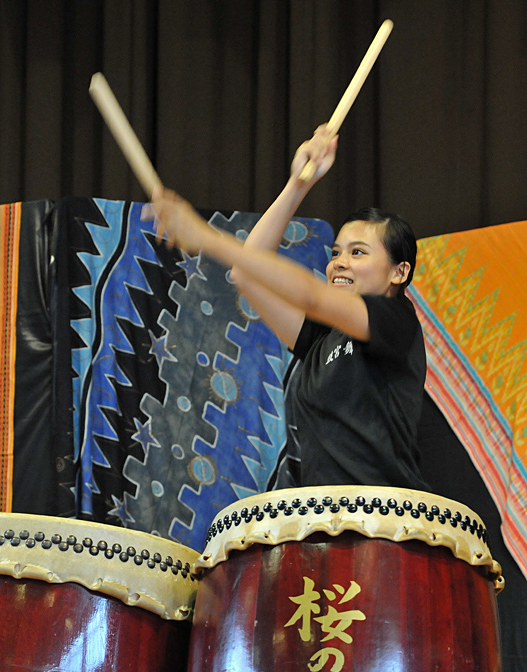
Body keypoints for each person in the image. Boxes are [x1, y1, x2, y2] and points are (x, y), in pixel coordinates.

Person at [147, 125, 429, 492]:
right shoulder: (321, 339)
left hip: (386, 529)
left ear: (399, 271)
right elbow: (247, 274)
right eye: (336, 253)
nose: (339, 263)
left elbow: (311, 295)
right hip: (327, 523)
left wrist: (208, 238)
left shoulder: (395, 321)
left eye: (357, 252)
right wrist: (298, 184)